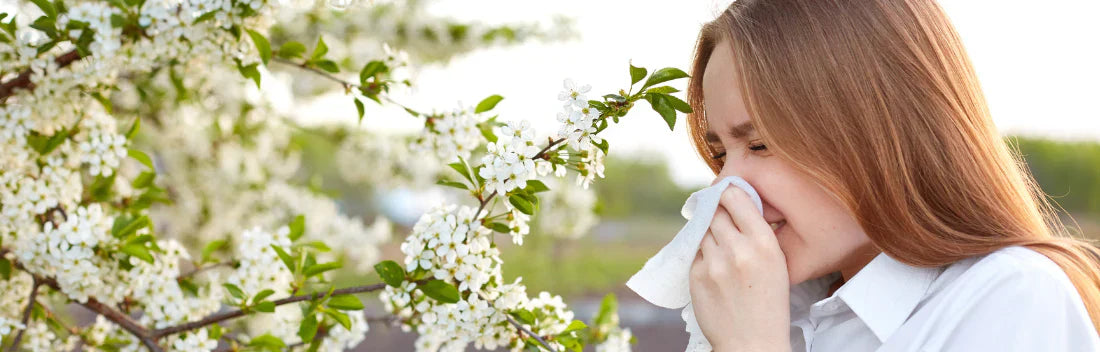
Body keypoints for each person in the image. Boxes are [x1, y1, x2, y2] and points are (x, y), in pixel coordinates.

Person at [683, 0, 1100, 351]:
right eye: (720, 154)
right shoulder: (771, 308)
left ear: (878, 133)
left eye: (759, 145)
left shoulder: (1012, 297)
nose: (725, 186)